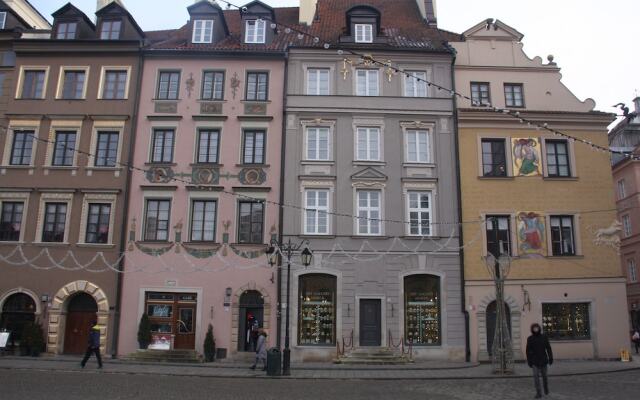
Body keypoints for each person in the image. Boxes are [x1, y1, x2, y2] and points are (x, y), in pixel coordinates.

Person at [526, 323, 553, 398]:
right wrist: (529, 361)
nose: (535, 329)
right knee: (536, 378)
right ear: (532, 329)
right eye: (534, 328)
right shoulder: (530, 338)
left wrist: (550, 358)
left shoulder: (544, 337)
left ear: (539, 328)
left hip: (543, 360)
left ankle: (546, 388)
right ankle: (538, 393)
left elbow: (548, 348)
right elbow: (528, 351)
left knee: (545, 377)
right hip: (535, 361)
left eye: (536, 328)